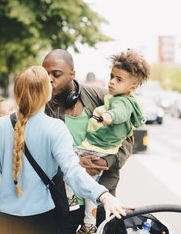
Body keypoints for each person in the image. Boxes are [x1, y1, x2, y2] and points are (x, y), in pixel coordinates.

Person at [0, 66, 129, 234]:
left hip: (1, 219)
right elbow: (73, 172)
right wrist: (103, 195)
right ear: (47, 93)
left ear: (16, 93)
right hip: (40, 220)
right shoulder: (55, 129)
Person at [43, 49, 137, 233]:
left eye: (56, 74)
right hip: (63, 204)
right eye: (45, 74)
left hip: (102, 202)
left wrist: (106, 161)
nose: (49, 79)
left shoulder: (103, 98)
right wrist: (75, 163)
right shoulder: (44, 107)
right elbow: (38, 150)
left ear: (72, 75)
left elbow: (127, 139)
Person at [70, 50, 150, 233]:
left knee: (94, 201)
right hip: (77, 195)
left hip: (104, 184)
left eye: (119, 79)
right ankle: (88, 224)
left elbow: (121, 122)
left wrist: (105, 161)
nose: (112, 81)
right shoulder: (111, 96)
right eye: (112, 77)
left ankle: (89, 225)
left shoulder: (119, 101)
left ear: (133, 85)